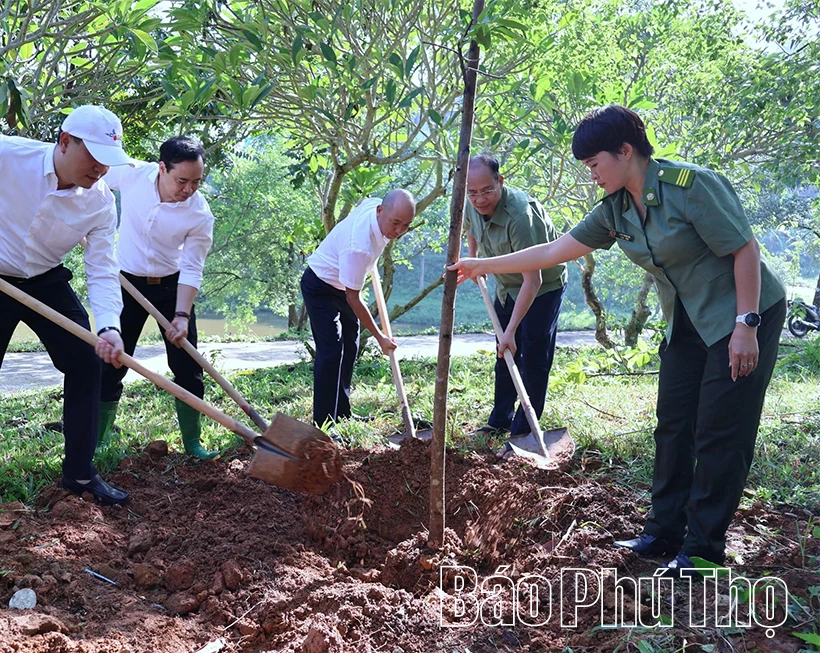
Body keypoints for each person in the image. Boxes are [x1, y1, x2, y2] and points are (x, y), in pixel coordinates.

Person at [449, 105, 785, 575]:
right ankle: (662, 532)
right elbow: (552, 250)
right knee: (672, 423)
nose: (592, 176)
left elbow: (743, 249)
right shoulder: (615, 210)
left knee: (719, 431)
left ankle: (704, 550)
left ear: (625, 151)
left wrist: (746, 325)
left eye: (594, 164)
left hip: (744, 312)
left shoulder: (691, 186)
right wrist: (480, 265)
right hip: (686, 320)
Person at [0, 105, 132, 507]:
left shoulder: (100, 203)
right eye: (95, 158)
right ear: (65, 142)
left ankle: (80, 475)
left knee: (88, 360)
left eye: (109, 162)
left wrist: (109, 328)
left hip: (45, 281)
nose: (101, 170)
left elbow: (103, 269)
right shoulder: (6, 154)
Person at [98, 136, 218, 460]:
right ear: (161, 168)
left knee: (187, 364)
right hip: (125, 282)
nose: (189, 189)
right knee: (111, 359)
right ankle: (98, 441)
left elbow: (192, 267)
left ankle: (193, 443)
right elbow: (91, 176)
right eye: (182, 180)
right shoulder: (132, 175)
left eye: (196, 182)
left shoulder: (200, 214)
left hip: (172, 288)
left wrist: (182, 316)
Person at [463, 154, 567, 438]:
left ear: (500, 181)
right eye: (472, 192)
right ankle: (499, 421)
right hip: (506, 286)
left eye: (487, 190)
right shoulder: (470, 200)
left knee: (532, 356)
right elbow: (472, 226)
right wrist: (473, 260)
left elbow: (533, 280)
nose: (479, 198)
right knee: (504, 354)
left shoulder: (520, 216)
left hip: (543, 288)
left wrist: (510, 331)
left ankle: (524, 432)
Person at [301, 190, 416, 429]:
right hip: (321, 285)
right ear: (380, 212)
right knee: (332, 351)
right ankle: (324, 425)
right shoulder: (358, 247)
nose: (398, 231)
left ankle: (342, 413)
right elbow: (353, 298)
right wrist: (381, 338)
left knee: (350, 346)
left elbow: (363, 201)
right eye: (395, 223)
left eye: (405, 225)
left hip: (345, 282)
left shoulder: (374, 206)